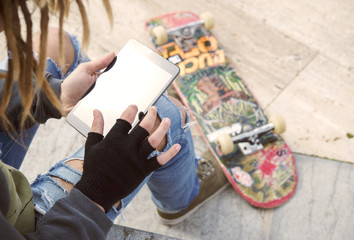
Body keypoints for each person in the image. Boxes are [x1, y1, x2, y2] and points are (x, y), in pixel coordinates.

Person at [0, 0, 228, 239]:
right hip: (36, 228)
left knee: (53, 41)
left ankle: (102, 115)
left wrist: (54, 96)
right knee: (162, 114)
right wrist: (96, 193)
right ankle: (182, 202)